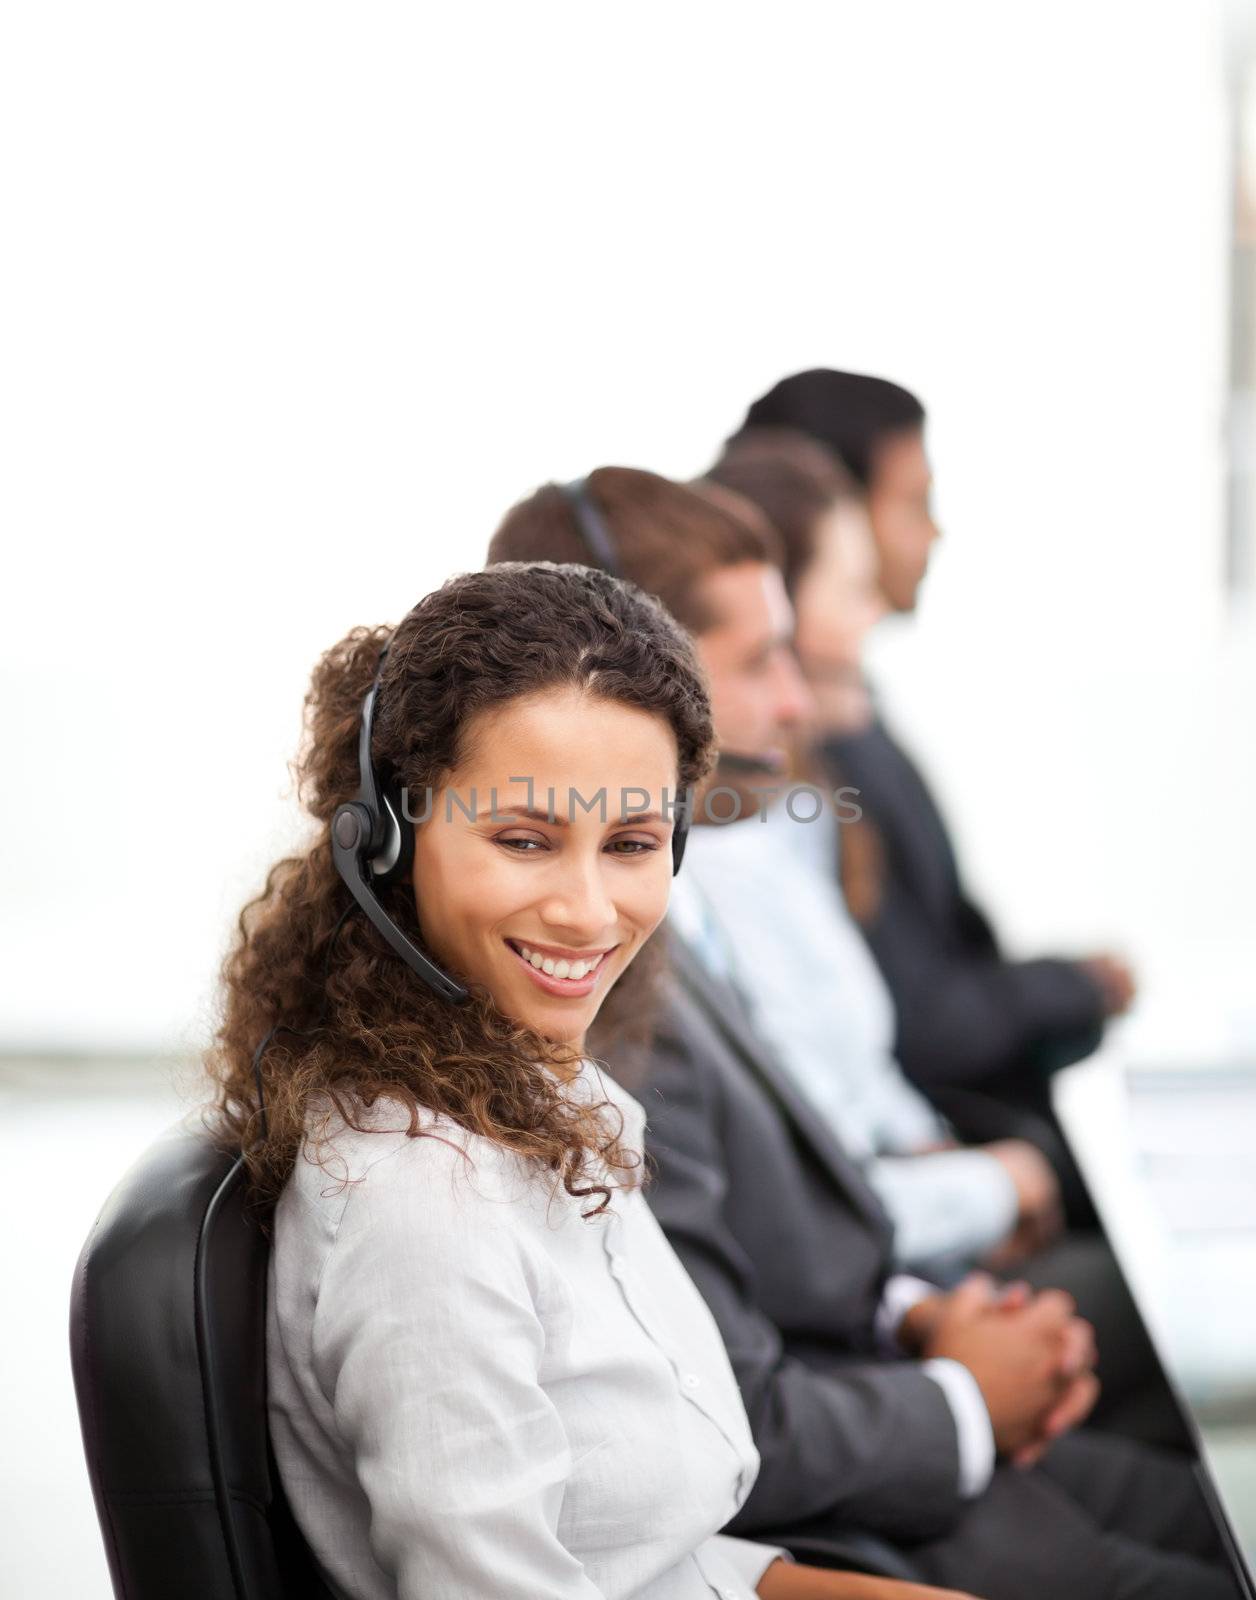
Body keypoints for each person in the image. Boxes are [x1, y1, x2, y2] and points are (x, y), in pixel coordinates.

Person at [488, 472, 1236, 1599]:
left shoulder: (681, 927)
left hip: (882, 1371)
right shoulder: (599, 992)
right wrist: (963, 1391)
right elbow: (715, 1412)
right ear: (630, 677)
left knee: (1201, 1507)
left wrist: (920, 1310)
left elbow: (785, 1234)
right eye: (755, 664)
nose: (795, 705)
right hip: (842, 1494)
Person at [205, 562, 974, 1600]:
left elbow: (658, 1560)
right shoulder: (420, 1203)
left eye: (630, 844)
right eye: (523, 840)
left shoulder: (541, 1098)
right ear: (386, 839)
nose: (586, 910)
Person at [732, 371, 1136, 1120]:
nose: (934, 531)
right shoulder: (788, 777)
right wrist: (1073, 988)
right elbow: (915, 1027)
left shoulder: (851, 721)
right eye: (914, 502)